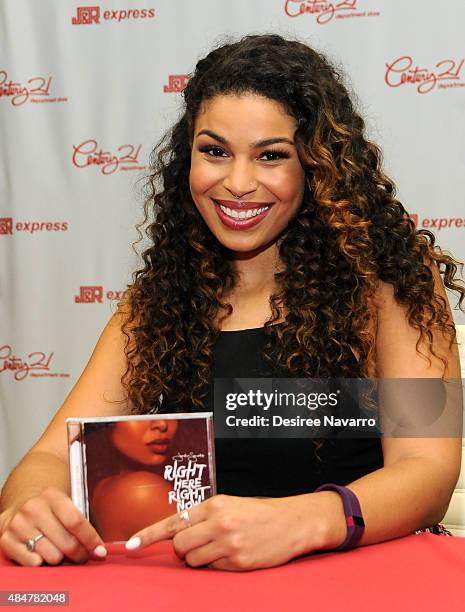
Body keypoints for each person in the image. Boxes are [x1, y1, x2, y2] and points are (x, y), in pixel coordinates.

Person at [0, 33, 464, 570]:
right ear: (187, 158)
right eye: (215, 151)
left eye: (270, 156)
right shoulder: (160, 298)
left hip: (356, 581)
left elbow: (428, 470)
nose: (237, 183)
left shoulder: (388, 278)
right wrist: (28, 508)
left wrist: (298, 522)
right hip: (196, 588)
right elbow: (51, 457)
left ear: (317, 165)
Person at [85, 419, 179, 542]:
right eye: (142, 414)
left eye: (169, 412)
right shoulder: (144, 491)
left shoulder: (102, 486)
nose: (162, 424)